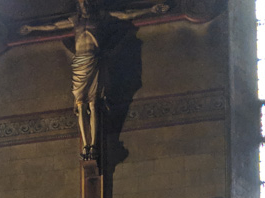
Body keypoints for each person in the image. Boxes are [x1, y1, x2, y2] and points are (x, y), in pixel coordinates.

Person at [20, 0, 168, 160]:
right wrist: (32, 28)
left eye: (87, 2)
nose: (85, 5)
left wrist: (151, 9)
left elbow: (126, 14)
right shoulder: (75, 20)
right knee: (80, 105)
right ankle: (86, 145)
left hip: (94, 60)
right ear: (78, 6)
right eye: (82, 3)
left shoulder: (101, 17)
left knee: (93, 104)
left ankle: (94, 145)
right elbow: (54, 26)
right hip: (80, 63)